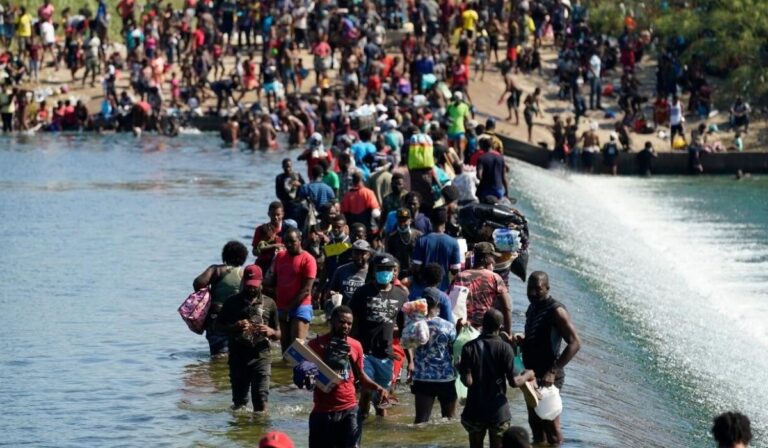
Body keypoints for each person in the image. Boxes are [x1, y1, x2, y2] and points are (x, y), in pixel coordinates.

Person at [307, 305, 389, 448]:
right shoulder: (315, 345)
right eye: (342, 322)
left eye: (349, 323)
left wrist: (379, 388)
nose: (345, 326)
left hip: (349, 409)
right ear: (331, 321)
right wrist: (306, 376)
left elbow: (361, 376)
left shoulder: (355, 346)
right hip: (322, 411)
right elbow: (306, 379)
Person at [518, 271, 582, 446]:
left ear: (547, 288)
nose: (532, 293)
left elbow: (575, 343)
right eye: (529, 288)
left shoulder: (556, 311)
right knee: (535, 424)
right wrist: (524, 342)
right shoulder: (532, 307)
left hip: (549, 377)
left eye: (537, 289)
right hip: (531, 375)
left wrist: (553, 371)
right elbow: (539, 337)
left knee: (551, 427)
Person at [460, 309, 536, 448]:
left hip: (475, 410)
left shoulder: (468, 348)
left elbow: (467, 382)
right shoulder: (505, 348)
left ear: (483, 324)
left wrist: (462, 369)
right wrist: (528, 374)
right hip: (498, 411)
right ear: (500, 327)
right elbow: (514, 382)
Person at [348, 254, 408, 420]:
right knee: (366, 392)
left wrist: (410, 360)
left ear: (394, 272)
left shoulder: (401, 295)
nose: (385, 273)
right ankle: (362, 422)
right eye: (381, 269)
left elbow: (405, 329)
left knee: (382, 400)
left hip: (386, 355)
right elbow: (351, 322)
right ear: (374, 271)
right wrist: (350, 350)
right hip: (364, 352)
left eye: (388, 269)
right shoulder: (362, 292)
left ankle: (382, 430)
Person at [216, 265, 280, 412]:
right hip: (238, 358)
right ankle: (241, 432)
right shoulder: (231, 302)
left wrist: (270, 331)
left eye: (255, 286)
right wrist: (234, 327)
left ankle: (260, 430)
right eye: (249, 286)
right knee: (239, 404)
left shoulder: (270, 303)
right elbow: (217, 327)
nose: (251, 289)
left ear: (261, 282)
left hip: (261, 357)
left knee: (261, 400)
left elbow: (278, 334)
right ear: (243, 281)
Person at [193, 241, 249, 357]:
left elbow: (198, 283)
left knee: (218, 355)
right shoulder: (244, 273)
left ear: (225, 255)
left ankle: (216, 373)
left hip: (216, 317)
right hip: (237, 318)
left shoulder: (216, 270)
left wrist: (208, 292)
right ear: (243, 257)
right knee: (236, 354)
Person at [265, 228, 317, 353]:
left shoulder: (308, 259)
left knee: (297, 349)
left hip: (300, 307)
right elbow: (273, 281)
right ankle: (286, 373)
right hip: (282, 307)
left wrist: (290, 308)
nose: (288, 244)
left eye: (292, 241)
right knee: (285, 350)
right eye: (286, 241)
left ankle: (300, 372)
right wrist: (259, 283)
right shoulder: (280, 256)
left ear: (300, 240)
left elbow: (306, 290)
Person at [411, 290, 457, 424]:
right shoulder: (448, 326)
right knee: (449, 421)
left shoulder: (415, 325)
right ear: (438, 304)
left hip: (422, 377)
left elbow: (408, 343)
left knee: (420, 421)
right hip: (445, 377)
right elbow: (453, 346)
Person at [451, 242, 512, 333]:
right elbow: (507, 307)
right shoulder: (495, 278)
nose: (494, 261)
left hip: (461, 328)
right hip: (484, 330)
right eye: (492, 257)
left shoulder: (460, 276)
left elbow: (451, 302)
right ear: (485, 259)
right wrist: (508, 333)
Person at [412, 208, 461, 291]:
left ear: (430, 221)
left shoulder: (421, 240)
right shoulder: (453, 242)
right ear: (446, 221)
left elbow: (416, 268)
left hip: (423, 289)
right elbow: (455, 271)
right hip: (443, 289)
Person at [327, 239, 372, 308]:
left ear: (369, 255)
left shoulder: (372, 272)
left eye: (363, 253)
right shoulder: (341, 270)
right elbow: (331, 290)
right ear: (352, 253)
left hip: (363, 310)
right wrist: (332, 294)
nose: (359, 256)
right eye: (356, 253)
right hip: (344, 311)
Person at [385, 208, 423, 280]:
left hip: (416, 274)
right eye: (400, 220)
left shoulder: (419, 236)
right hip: (399, 274)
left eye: (404, 220)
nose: (402, 223)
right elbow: (388, 256)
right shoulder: (392, 237)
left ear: (410, 221)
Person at [252, 201, 285, 273]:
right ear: (268, 214)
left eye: (278, 215)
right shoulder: (261, 229)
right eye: (273, 214)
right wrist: (271, 246)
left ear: (283, 214)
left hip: (281, 267)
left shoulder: (287, 231)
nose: (276, 217)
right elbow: (254, 252)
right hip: (263, 266)